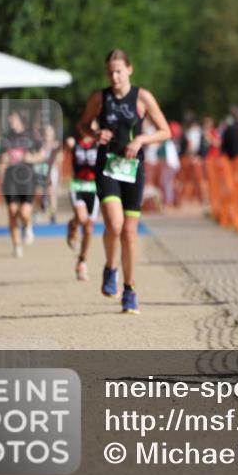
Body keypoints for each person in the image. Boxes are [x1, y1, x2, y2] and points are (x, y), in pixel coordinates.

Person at [77, 49, 171, 314]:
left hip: (133, 169)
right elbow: (83, 124)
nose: (114, 77)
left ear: (129, 69)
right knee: (114, 225)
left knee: (130, 232)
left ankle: (130, 290)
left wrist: (141, 140)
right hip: (107, 167)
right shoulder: (100, 97)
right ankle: (111, 268)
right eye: (110, 72)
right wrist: (95, 134)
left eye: (119, 71)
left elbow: (165, 131)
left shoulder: (142, 97)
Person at [0, 110, 43, 257]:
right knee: (12, 211)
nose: (11, 120)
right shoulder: (5, 138)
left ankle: (28, 226)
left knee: (24, 212)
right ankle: (17, 245)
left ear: (21, 120)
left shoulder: (31, 136)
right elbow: (0, 159)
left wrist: (31, 158)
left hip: (27, 177)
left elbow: (41, 155)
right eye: (10, 117)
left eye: (13, 118)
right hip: (11, 178)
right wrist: (4, 160)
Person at [65, 129, 101, 281]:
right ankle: (72, 225)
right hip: (78, 185)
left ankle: (82, 261)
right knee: (81, 217)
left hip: (94, 187)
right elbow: (58, 154)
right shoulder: (74, 142)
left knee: (88, 228)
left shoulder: (99, 144)